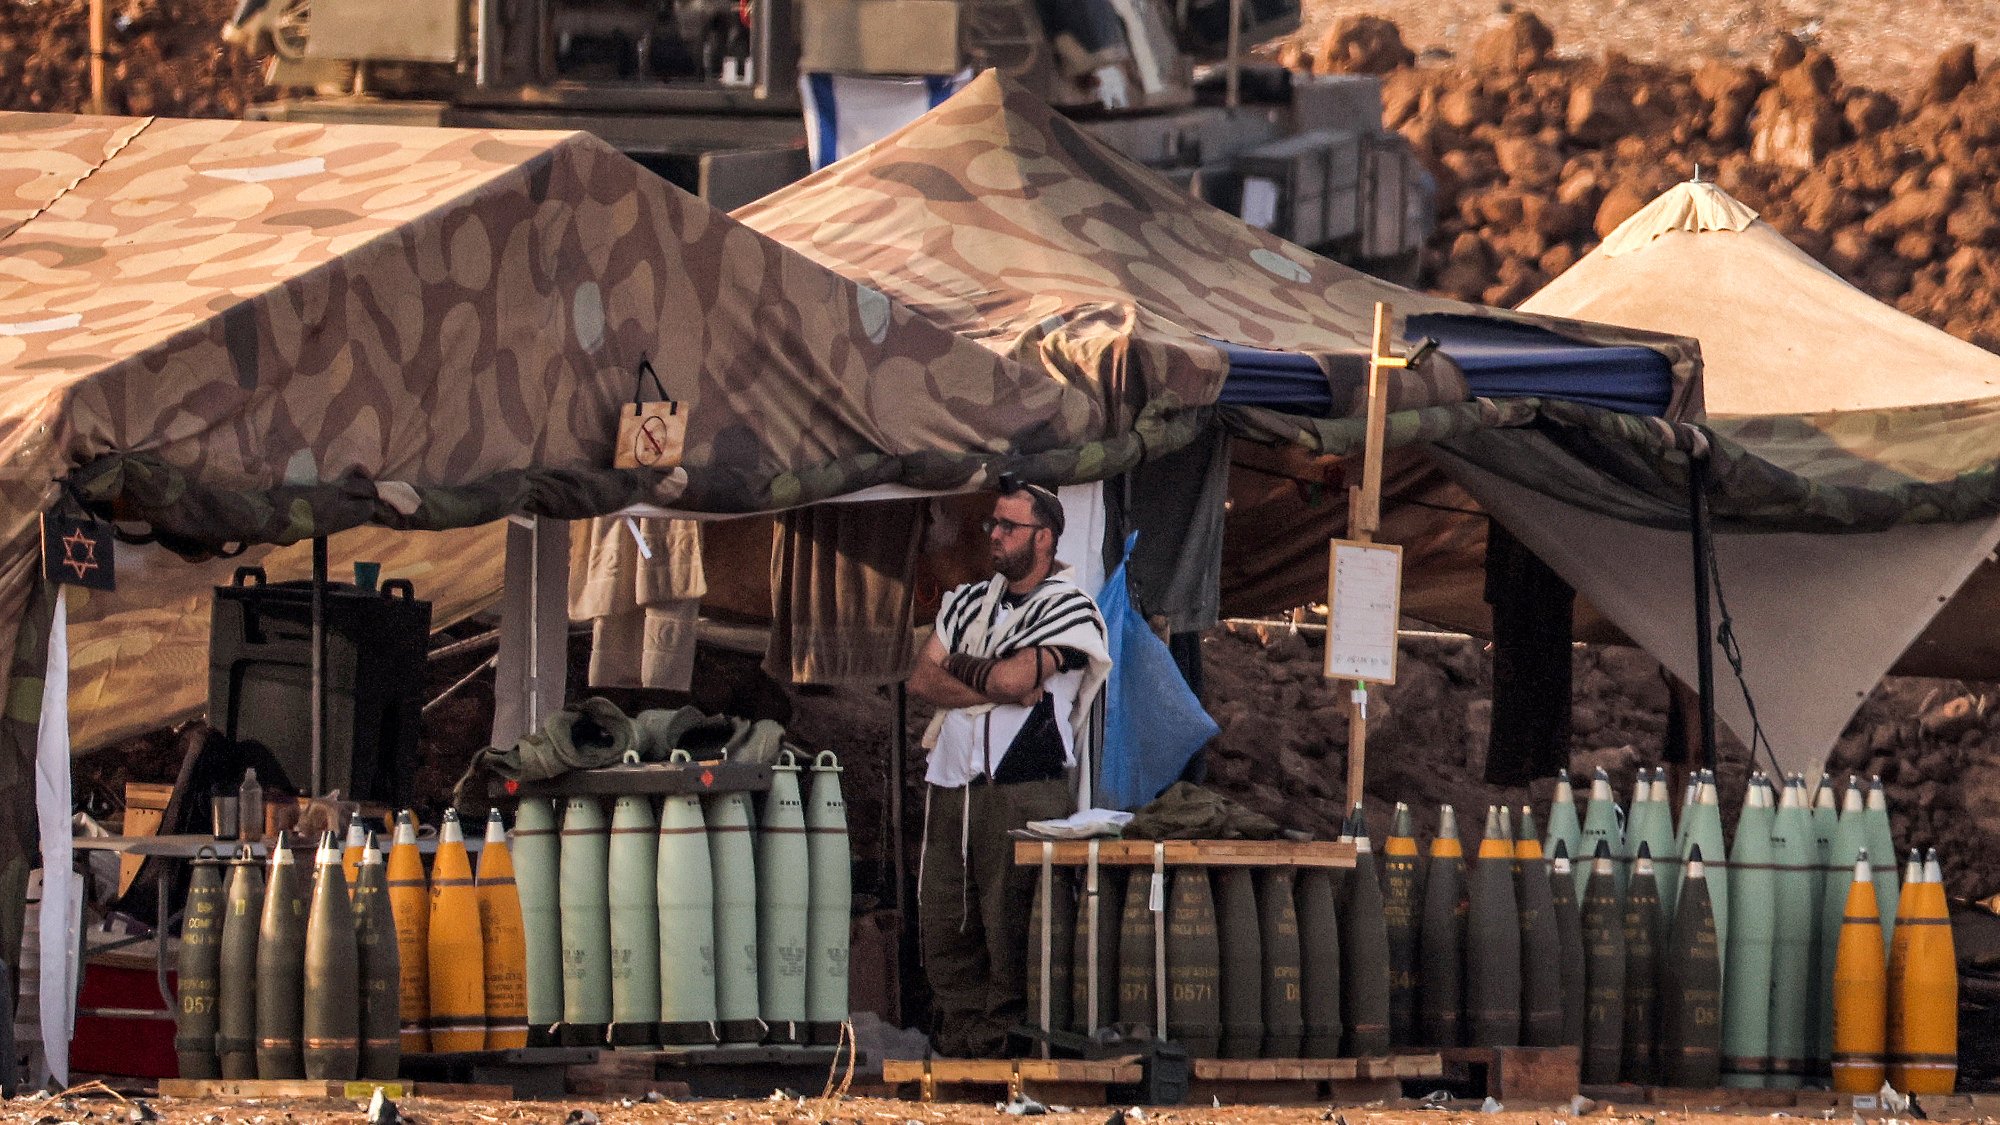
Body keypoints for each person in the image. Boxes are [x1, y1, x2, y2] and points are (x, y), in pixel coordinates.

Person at [906, 477, 1111, 1057]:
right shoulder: (967, 599)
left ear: (1043, 538)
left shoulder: (1072, 609)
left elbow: (1018, 679)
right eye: (991, 524)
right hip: (953, 780)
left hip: (1023, 785)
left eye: (1008, 526)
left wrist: (981, 675)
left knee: (1013, 918)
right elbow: (924, 678)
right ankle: (963, 1039)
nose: (994, 535)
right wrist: (991, 684)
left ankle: (1008, 1045)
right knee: (947, 913)